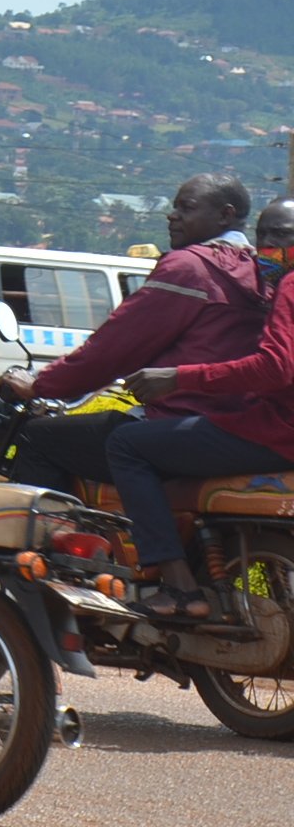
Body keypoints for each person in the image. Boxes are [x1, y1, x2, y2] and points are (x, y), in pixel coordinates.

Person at [0, 173, 267, 494]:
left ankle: (49, 543)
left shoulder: (190, 267)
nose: (173, 215)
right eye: (174, 207)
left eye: (187, 207)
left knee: (38, 437)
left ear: (225, 214)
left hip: (180, 422)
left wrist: (40, 385)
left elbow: (115, 347)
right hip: (238, 429)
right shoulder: (260, 271)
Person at [119, 195, 294, 620]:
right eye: (262, 235)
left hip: (277, 432)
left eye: (280, 236)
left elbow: (275, 366)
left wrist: (179, 377)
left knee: (128, 445)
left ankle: (178, 587)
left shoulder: (289, 285)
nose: (266, 245)